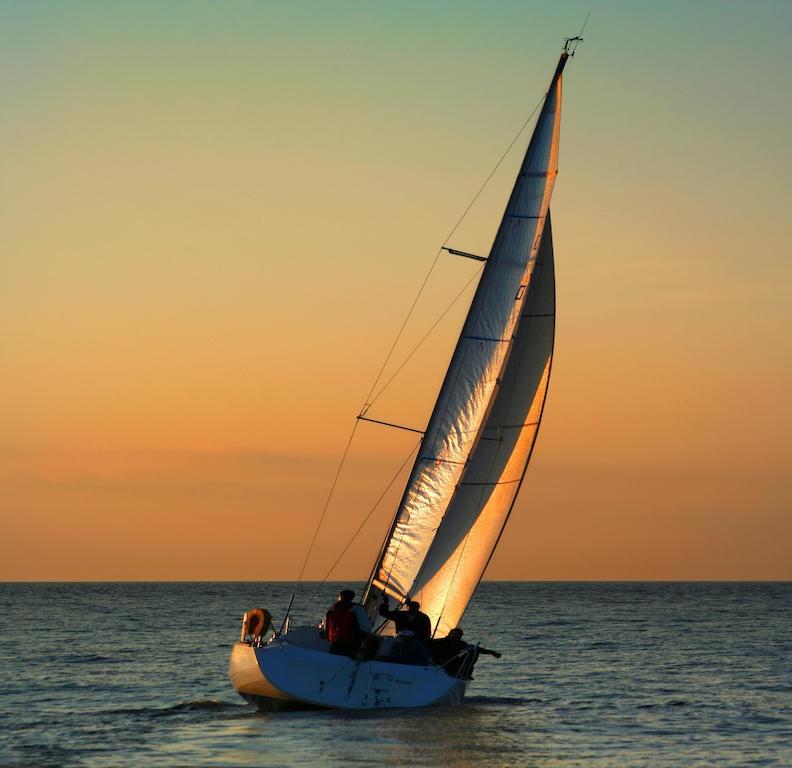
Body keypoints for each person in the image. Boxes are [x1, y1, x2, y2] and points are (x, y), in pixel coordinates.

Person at [431, 627, 501, 678]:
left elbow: (476, 648)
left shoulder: (461, 644)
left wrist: (492, 652)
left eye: (458, 636)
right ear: (450, 634)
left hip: (452, 665)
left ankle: (466, 673)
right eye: (454, 635)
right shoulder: (440, 642)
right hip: (440, 664)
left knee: (474, 650)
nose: (456, 637)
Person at [325, 589, 370, 657]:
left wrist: (327, 636)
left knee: (335, 656)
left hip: (335, 640)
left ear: (340, 597)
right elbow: (365, 627)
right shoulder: (358, 609)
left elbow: (327, 625)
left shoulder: (332, 609)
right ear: (352, 597)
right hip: (352, 642)